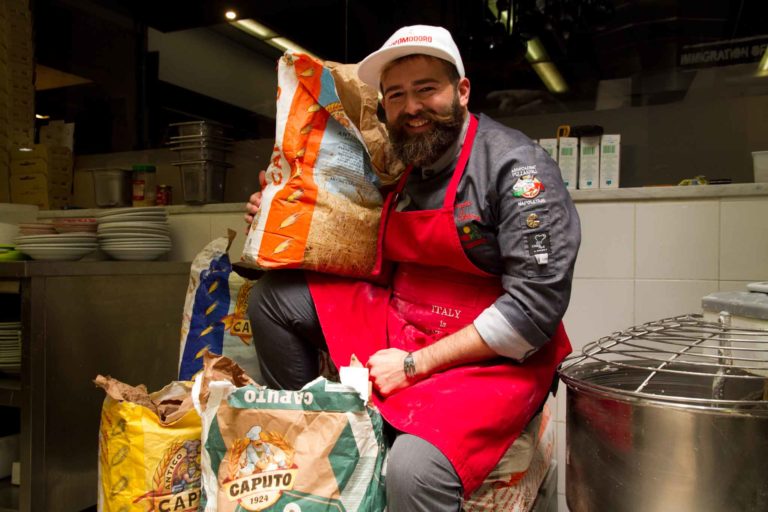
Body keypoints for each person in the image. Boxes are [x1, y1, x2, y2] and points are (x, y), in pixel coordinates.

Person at [244, 24, 580, 511]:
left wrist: (412, 366)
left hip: (489, 353)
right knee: (274, 299)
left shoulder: (516, 167)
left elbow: (535, 309)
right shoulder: (399, 158)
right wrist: (275, 212)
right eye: (396, 95)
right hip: (405, 315)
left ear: (462, 91)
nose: (411, 108)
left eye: (427, 89)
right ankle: (316, 442)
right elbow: (335, 226)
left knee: (412, 471)